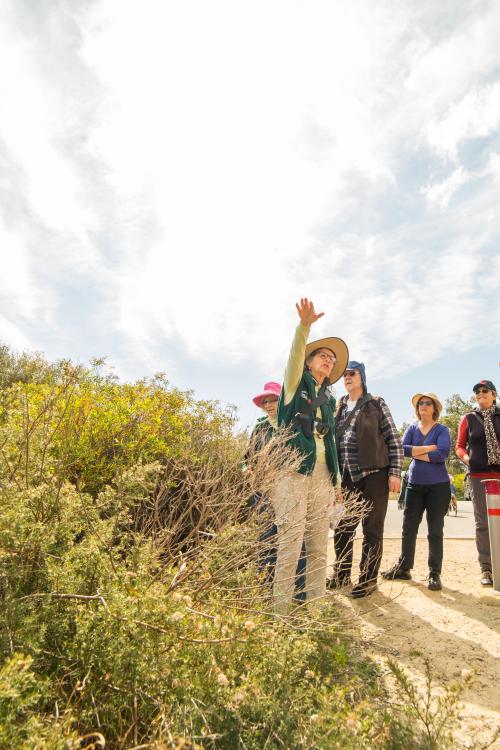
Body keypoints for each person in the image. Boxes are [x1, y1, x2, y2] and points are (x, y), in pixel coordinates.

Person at [272, 298, 348, 614]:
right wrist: (304, 328)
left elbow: (330, 443)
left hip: (321, 476)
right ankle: (280, 616)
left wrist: (337, 482)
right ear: (309, 361)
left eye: (332, 359)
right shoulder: (293, 384)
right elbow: (292, 359)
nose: (329, 361)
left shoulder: (329, 401)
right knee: (290, 543)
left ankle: (314, 611)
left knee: (318, 545)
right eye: (323, 356)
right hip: (293, 472)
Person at [331, 362, 403, 598]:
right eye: (344, 375)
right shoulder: (339, 405)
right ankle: (341, 575)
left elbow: (394, 438)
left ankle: (368, 579)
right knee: (343, 528)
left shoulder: (376, 403)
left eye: (351, 373)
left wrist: (395, 472)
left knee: (372, 530)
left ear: (362, 377)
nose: (347, 377)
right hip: (346, 479)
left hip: (374, 475)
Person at [382, 392, 451, 591]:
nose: (424, 406)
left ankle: (434, 573)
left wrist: (417, 452)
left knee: (435, 531)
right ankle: (404, 568)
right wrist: (428, 448)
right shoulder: (412, 428)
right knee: (408, 528)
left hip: (438, 487)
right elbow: (402, 450)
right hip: (413, 485)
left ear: (435, 408)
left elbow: (442, 454)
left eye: (428, 403)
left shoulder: (442, 430)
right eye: (421, 403)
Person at [246, 381, 306, 598]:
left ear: (282, 402)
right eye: (266, 401)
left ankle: (300, 593)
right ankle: (265, 590)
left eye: (273, 400)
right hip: (262, 491)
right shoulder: (260, 427)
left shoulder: (291, 424)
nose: (269, 405)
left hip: (289, 488)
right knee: (266, 539)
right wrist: (249, 469)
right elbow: (248, 459)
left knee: (293, 539)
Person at [455, 380, 500, 586]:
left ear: (494, 394)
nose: (480, 394)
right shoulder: (468, 418)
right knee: (483, 523)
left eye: (484, 390)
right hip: (479, 477)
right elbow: (459, 446)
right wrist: (467, 459)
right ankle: (487, 569)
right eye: (476, 392)